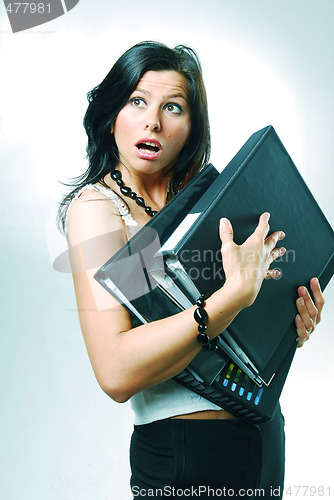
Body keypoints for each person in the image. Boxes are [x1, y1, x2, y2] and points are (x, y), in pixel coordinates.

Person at [58, 41, 324, 499]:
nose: (153, 121)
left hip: (261, 436)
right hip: (184, 452)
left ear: (193, 126)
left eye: (173, 107)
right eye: (137, 100)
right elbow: (116, 372)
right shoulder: (98, 209)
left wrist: (291, 320)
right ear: (111, 113)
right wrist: (228, 300)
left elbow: (242, 333)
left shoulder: (211, 202)